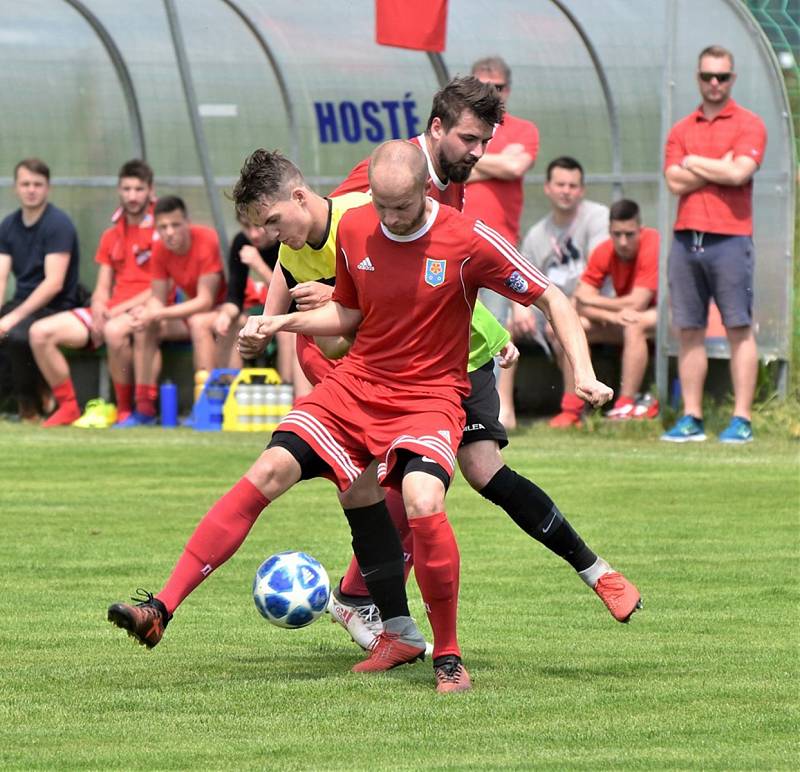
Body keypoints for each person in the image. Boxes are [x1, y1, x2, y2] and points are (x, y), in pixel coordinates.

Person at [107, 141, 612, 694]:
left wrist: (568, 367)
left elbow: (549, 299)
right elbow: (349, 314)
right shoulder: (352, 230)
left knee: (422, 498)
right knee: (272, 470)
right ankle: (161, 608)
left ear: (425, 190)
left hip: (431, 391)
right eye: (381, 205)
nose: (390, 220)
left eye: (400, 208)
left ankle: (447, 655)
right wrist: (274, 324)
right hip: (358, 382)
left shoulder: (464, 236)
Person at [328, 79, 641, 648]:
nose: (478, 152)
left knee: (478, 471)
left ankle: (598, 572)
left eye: (485, 141)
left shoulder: (450, 188)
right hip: (379, 360)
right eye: (470, 139)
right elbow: (316, 235)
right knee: (402, 482)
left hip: (452, 357)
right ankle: (363, 604)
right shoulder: (388, 175)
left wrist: (502, 335)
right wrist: (295, 307)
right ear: (437, 128)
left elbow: (461, 277)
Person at [661, 45, 766, 444]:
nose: (715, 83)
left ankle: (742, 418)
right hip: (687, 239)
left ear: (732, 78)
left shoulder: (749, 123)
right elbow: (673, 181)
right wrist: (714, 165)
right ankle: (692, 416)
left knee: (738, 327)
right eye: (708, 76)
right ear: (698, 78)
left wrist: (693, 163)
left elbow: (740, 173)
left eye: (722, 76)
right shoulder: (681, 129)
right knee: (690, 329)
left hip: (731, 239)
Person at [29, 159, 156, 428]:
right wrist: (99, 307)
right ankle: (68, 406)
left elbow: (160, 287)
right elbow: (102, 286)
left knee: (114, 330)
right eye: (126, 189)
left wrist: (115, 312)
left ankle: (124, 411)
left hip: (145, 308)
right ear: (119, 191)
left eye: (138, 189)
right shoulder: (111, 234)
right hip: (110, 310)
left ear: (150, 191)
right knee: (39, 332)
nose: (132, 196)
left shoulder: (162, 229)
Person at [464, 55, 539, 430]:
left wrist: (471, 164)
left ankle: (501, 410)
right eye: (482, 86)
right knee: (460, 327)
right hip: (456, 240)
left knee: (499, 329)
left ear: (508, 91)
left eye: (497, 87)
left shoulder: (524, 129)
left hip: (499, 244)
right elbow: (442, 168)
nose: (490, 94)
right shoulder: (459, 128)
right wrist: (490, 161)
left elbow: (515, 167)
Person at [116, 196, 226, 427]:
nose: (169, 232)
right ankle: (144, 408)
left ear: (187, 222)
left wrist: (157, 313)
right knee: (145, 325)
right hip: (191, 314)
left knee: (198, 322)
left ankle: (207, 405)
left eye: (175, 225)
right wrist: (144, 313)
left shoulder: (207, 240)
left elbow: (205, 302)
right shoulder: (160, 248)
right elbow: (157, 299)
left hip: (227, 311)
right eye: (163, 227)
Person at [519, 156, 610, 427]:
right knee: (503, 329)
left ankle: (572, 410)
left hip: (595, 304)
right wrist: (519, 310)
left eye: (573, 185)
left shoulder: (597, 217)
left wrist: (562, 310)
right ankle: (502, 411)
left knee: (565, 327)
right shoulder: (537, 233)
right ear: (547, 187)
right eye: (560, 184)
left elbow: (599, 269)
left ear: (581, 190)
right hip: (551, 307)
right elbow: (519, 277)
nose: (566, 190)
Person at [0, 158, 80, 421]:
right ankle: (26, 397)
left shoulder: (58, 224)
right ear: (16, 188)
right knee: (8, 329)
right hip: (23, 303)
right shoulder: (8, 226)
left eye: (37, 184)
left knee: (18, 334)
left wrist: (11, 318)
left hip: (56, 306)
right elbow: (0, 278)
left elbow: (53, 283)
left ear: (48, 188)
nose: (31, 190)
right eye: (25, 184)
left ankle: (30, 404)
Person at [573, 199, 660, 420]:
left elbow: (637, 303)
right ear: (609, 231)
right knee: (577, 326)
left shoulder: (653, 242)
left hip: (669, 315)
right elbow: (579, 303)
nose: (622, 242)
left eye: (629, 234)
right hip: (626, 318)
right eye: (616, 234)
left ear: (640, 229)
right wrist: (612, 314)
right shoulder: (604, 250)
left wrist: (594, 301)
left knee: (635, 324)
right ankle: (572, 406)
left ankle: (625, 402)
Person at [190, 212, 279, 373]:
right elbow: (235, 296)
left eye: (257, 226)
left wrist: (259, 266)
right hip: (259, 309)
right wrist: (226, 314)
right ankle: (225, 387)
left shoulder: (284, 240)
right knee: (225, 323)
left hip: (286, 309)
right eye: (246, 226)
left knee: (287, 331)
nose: (252, 234)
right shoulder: (242, 241)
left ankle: (288, 390)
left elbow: (289, 294)